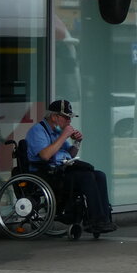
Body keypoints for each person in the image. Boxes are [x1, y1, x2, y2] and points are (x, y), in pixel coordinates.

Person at [25, 99, 116, 233]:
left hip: (62, 170)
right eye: (66, 118)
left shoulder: (57, 132)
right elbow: (45, 155)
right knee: (87, 177)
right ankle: (94, 220)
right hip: (46, 173)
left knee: (99, 175)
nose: (69, 121)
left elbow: (70, 154)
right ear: (55, 116)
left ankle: (104, 219)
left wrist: (77, 142)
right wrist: (64, 136)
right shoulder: (37, 131)